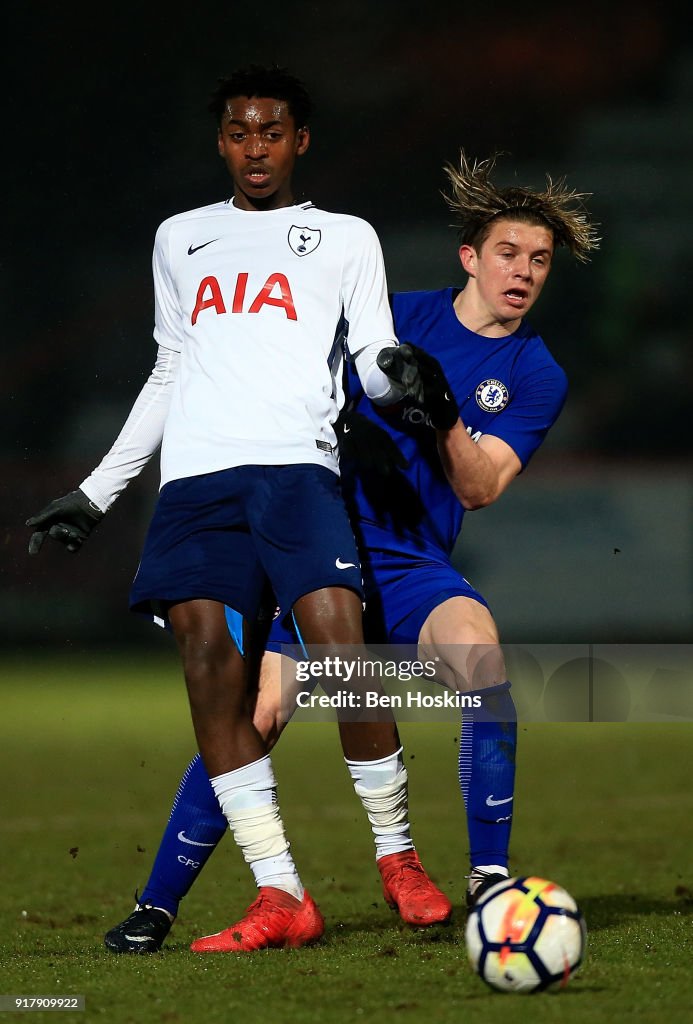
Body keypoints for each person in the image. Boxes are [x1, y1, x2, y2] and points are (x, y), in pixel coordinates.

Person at [98, 150, 599, 953]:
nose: (524, 272)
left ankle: (488, 882)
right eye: (508, 253)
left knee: (480, 659)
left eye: (539, 260)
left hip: (408, 561)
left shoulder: (534, 373)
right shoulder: (391, 318)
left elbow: (478, 488)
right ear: (469, 257)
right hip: (321, 542)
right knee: (251, 715)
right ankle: (156, 904)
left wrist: (441, 417)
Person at [25, 65, 452, 954]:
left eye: (271, 131)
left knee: (342, 650)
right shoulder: (180, 238)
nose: (253, 147)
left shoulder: (342, 237)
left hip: (298, 472)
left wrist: (397, 373)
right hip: (195, 487)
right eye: (237, 131)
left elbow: (370, 352)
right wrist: (98, 491)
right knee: (212, 678)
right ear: (220, 141)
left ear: (301, 141)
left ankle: (398, 858)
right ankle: (280, 892)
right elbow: (171, 368)